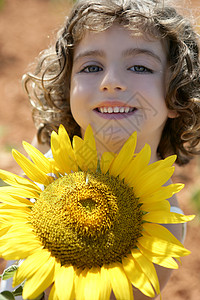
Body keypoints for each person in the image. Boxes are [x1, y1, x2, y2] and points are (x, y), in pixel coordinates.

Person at [3, 0, 200, 299]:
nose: (111, 83)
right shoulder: (50, 157)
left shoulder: (157, 224)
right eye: (92, 67)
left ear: (176, 95)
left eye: (139, 67)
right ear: (68, 89)